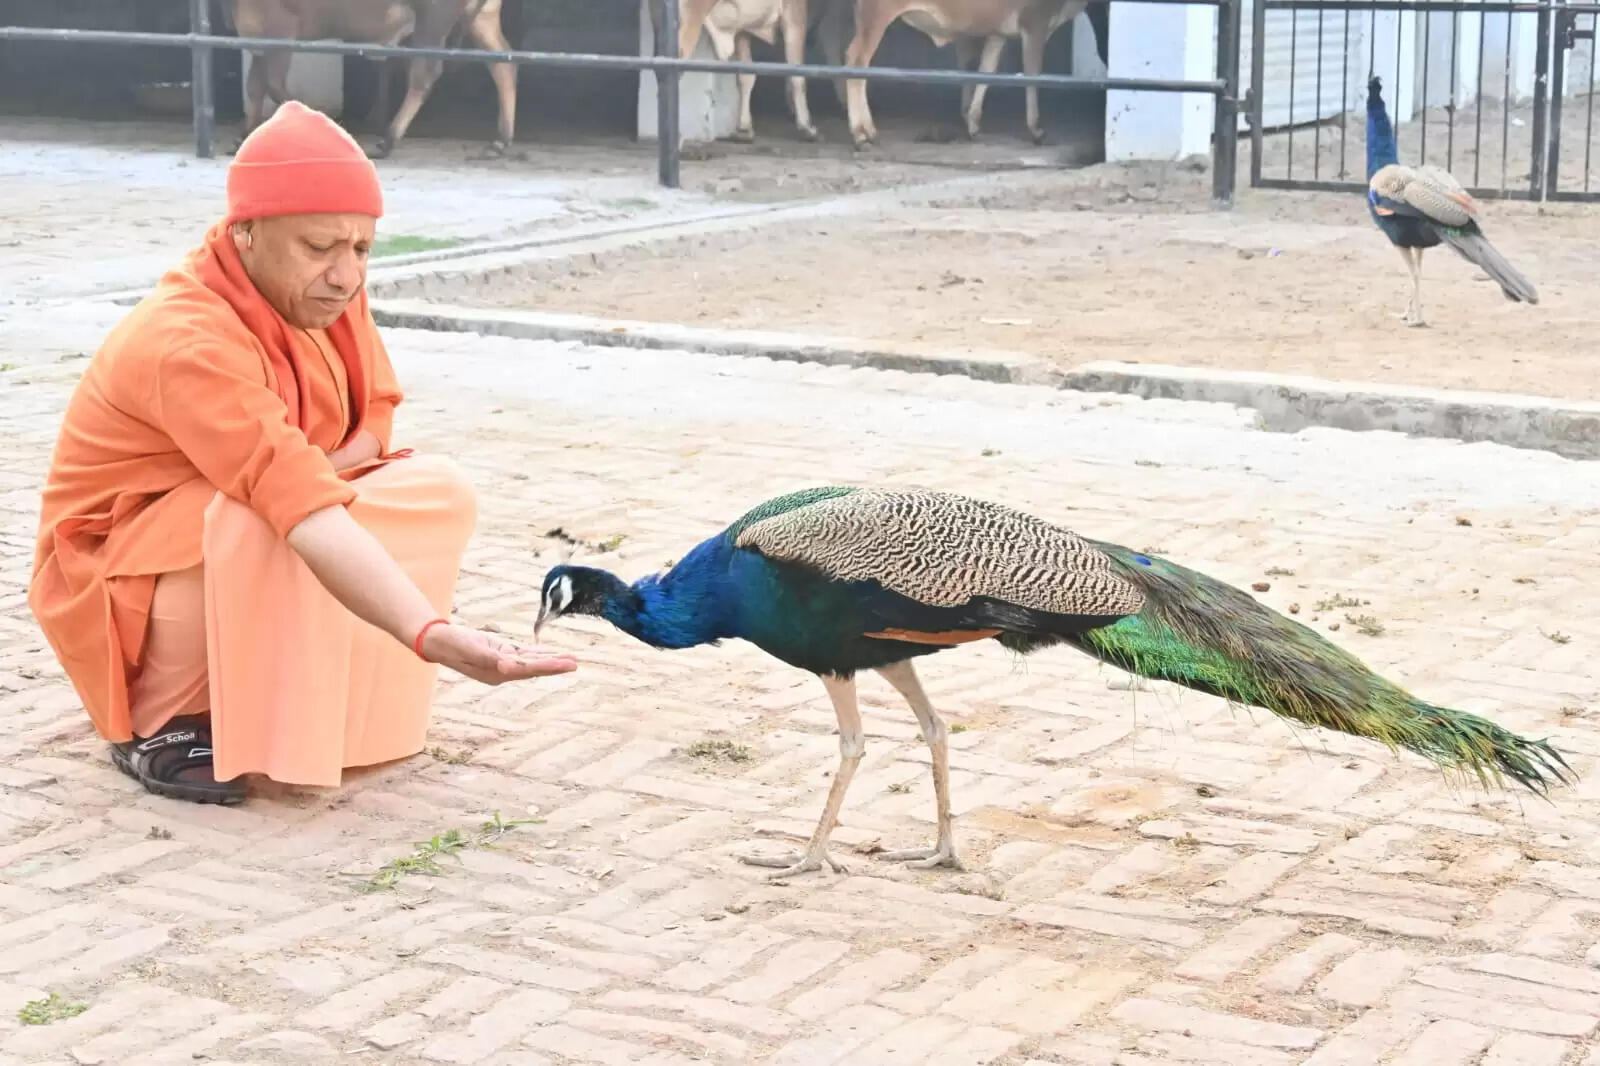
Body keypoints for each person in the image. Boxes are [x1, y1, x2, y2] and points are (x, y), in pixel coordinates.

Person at [27, 100, 576, 806]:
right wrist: (429, 633)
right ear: (245, 233)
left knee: (436, 489)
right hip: (126, 568)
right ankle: (160, 719)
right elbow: (290, 499)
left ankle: (319, 707)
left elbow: (375, 410)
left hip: (275, 494)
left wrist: (320, 475)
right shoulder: (188, 339)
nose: (347, 275)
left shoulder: (322, 289)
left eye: (361, 249)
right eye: (321, 248)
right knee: (261, 524)